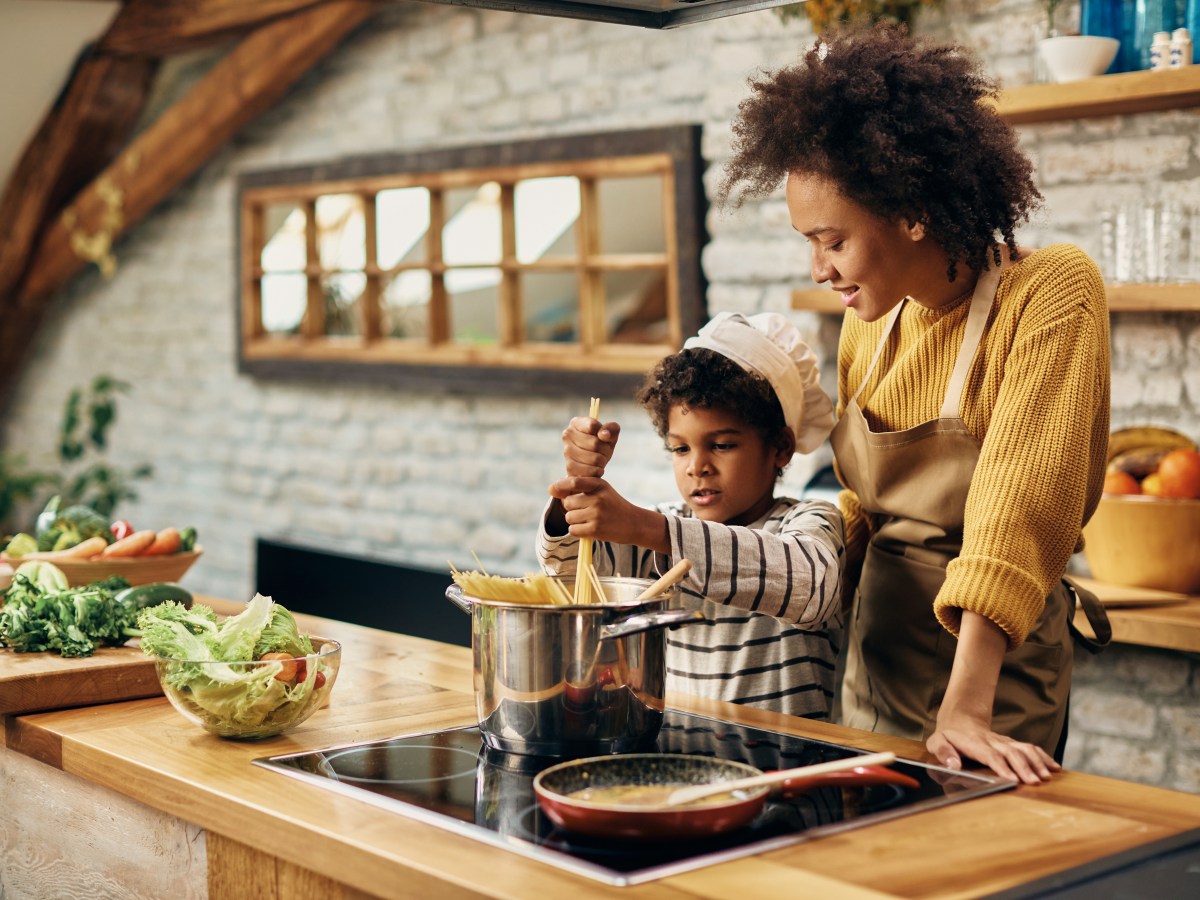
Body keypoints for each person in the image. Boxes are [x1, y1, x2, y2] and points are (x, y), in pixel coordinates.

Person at [717, 24, 1112, 784]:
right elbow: (864, 507)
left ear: (910, 211)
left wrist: (965, 707)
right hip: (876, 661)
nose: (820, 268)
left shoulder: (1050, 293)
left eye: (831, 240)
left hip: (988, 680)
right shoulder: (872, 324)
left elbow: (1016, 510)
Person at [538, 312, 846, 720]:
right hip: (679, 761)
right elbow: (570, 574)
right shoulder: (659, 532)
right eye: (680, 449)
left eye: (721, 445)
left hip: (785, 767)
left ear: (781, 448)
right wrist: (572, 499)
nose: (696, 466)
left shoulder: (808, 521)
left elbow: (814, 585)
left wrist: (648, 528)